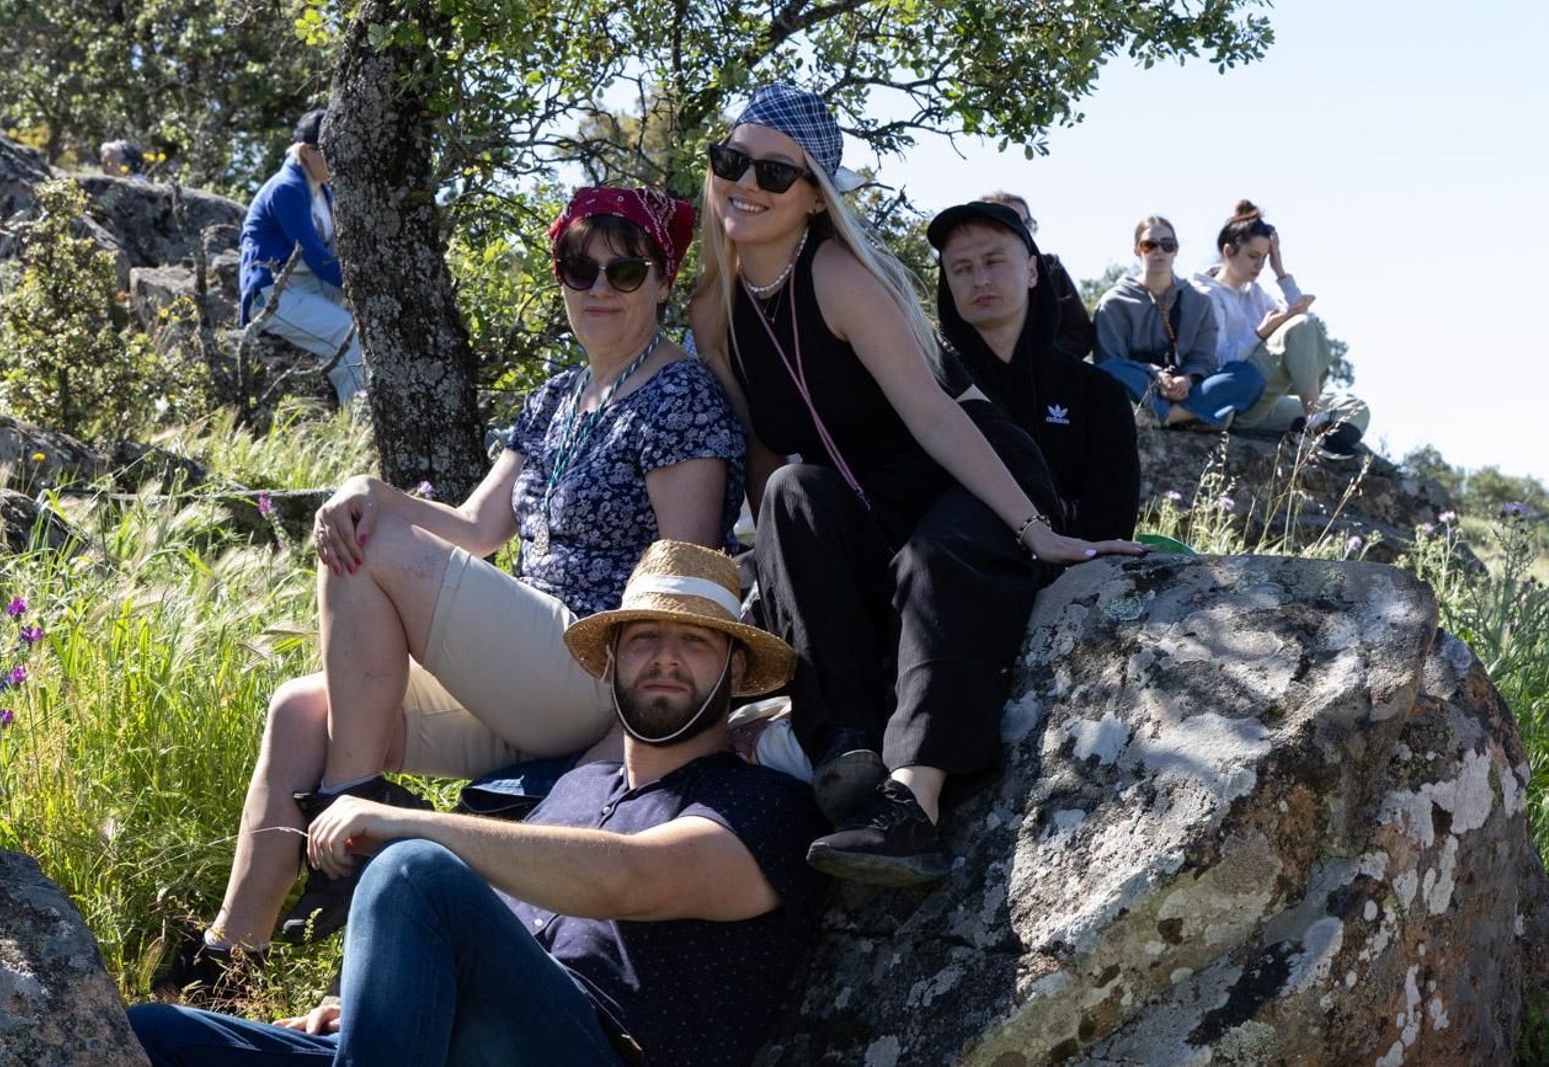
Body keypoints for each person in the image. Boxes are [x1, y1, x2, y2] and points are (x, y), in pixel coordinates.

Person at [164, 186, 746, 989]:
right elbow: (477, 527)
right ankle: (228, 965)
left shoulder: (680, 394)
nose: (600, 287)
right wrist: (370, 487)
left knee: (367, 544)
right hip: (528, 680)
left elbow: (684, 568)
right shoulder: (556, 399)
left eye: (625, 268)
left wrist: (632, 744)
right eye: (580, 268)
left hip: (601, 665)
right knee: (299, 709)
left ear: (661, 281)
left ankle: (348, 813)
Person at [130, 540, 825, 1067]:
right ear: (612, 662)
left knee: (411, 872)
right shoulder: (578, 786)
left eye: (694, 642)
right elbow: (487, 938)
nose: (665, 658)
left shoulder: (762, 804)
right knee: (151, 1034)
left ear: (735, 670)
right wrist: (385, 1000)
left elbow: (630, 876)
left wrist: (402, 823)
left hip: (596, 1046)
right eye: (644, 639)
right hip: (452, 1040)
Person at [690, 83, 1145, 886]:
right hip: (858, 497)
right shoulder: (713, 311)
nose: (747, 185)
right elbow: (766, 457)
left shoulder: (839, 276)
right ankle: (847, 752)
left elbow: (935, 419)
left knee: (933, 562)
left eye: (775, 174)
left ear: (814, 198)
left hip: (963, 470)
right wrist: (784, 593)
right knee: (792, 494)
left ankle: (913, 804)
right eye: (733, 163)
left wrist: (1034, 527)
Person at [930, 199, 1139, 542]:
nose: (980, 280)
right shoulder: (931, 387)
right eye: (962, 269)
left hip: (1076, 581)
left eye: (994, 261)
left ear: (1031, 271)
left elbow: (1111, 523)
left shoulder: (1096, 392)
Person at [1190, 200, 1370, 457]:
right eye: (1253, 256)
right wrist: (1260, 335)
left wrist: (1281, 272)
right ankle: (1313, 423)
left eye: (1265, 258)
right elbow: (1214, 365)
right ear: (1228, 251)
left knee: (1355, 408)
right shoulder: (1205, 296)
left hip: (1266, 405)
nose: (1259, 266)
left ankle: (1310, 433)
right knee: (1301, 324)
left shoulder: (1256, 293)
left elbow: (1307, 344)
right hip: (1234, 398)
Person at [238, 108, 366, 407]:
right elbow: (315, 257)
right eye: (331, 150)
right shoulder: (286, 189)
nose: (340, 158)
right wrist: (362, 287)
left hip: (308, 288)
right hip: (273, 295)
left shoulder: (324, 191)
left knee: (374, 326)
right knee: (350, 335)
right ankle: (362, 428)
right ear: (308, 151)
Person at [1093, 215, 1266, 431]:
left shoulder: (1198, 301)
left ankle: (1164, 418)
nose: (1159, 251)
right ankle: (1194, 414)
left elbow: (1204, 360)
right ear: (1138, 250)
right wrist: (1157, 376)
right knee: (1108, 370)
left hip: (1187, 389)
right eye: (1150, 245)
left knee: (1248, 376)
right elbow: (1110, 362)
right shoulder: (1114, 302)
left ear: (1175, 250)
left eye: (1167, 245)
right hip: (1142, 387)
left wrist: (1187, 380)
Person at [979, 192, 1095, 360]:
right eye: (1009, 222)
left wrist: (1045, 357)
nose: (1020, 229)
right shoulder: (971, 273)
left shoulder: (1050, 267)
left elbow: (1080, 332)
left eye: (1026, 223)